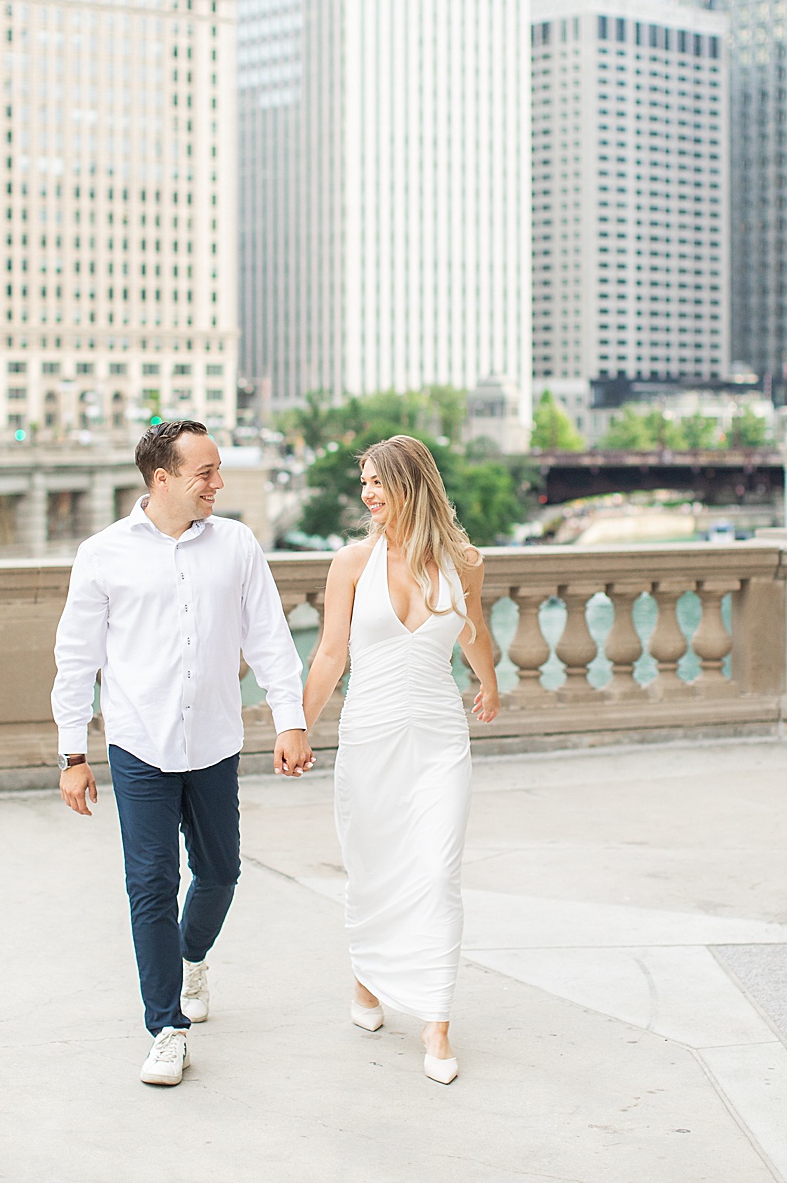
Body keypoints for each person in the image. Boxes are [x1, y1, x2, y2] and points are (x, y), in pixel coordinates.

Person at [53, 418, 313, 1087]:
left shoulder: (237, 545)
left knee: (221, 872)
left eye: (219, 470)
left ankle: (193, 955)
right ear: (161, 478)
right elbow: (75, 660)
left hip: (214, 741)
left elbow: (270, 639)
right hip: (138, 743)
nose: (218, 484)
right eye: (206, 473)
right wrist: (71, 755)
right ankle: (167, 1027)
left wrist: (291, 722)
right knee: (150, 886)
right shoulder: (103, 553)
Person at [298, 434, 499, 1085]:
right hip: (369, 734)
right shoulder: (351, 562)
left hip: (440, 737)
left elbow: (474, 631)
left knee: (438, 872)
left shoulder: (464, 561)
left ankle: (437, 1020)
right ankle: (368, 977)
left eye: (378, 482)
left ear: (411, 483)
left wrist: (488, 682)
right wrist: (297, 725)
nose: (368, 494)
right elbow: (330, 654)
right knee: (373, 865)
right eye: (364, 483)